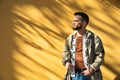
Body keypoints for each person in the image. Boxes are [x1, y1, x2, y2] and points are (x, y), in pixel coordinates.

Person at [62, 12, 105, 80]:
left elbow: (100, 56)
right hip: (73, 73)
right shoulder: (70, 38)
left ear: (84, 23)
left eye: (76, 21)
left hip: (88, 74)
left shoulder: (94, 38)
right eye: (73, 21)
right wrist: (67, 61)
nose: (73, 22)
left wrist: (91, 69)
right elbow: (65, 51)